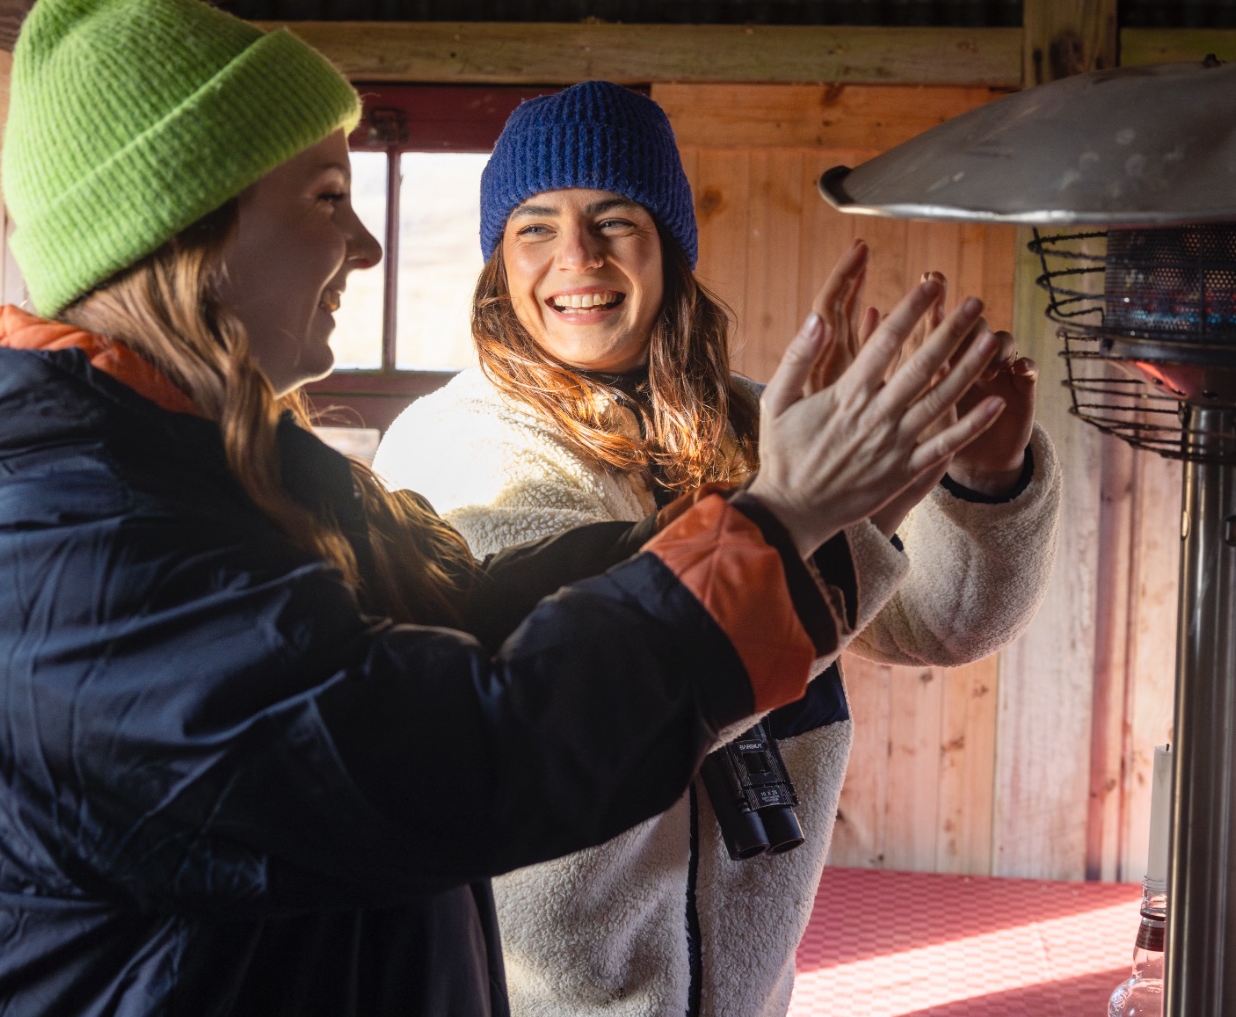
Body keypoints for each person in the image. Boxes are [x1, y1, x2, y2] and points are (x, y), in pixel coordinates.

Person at [0, 0, 1013, 1017]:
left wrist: (804, 515)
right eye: (328, 194)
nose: (367, 244)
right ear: (192, 228)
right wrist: (779, 523)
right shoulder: (68, 548)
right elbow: (463, 754)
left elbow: (464, 611)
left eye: (617, 219)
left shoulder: (211, 472)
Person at [371, 81, 1063, 1017]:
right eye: (535, 226)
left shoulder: (752, 420)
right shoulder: (453, 443)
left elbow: (941, 624)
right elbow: (615, 690)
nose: (575, 255)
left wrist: (982, 478)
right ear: (499, 258)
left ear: (670, 247)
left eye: (613, 219)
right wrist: (823, 511)